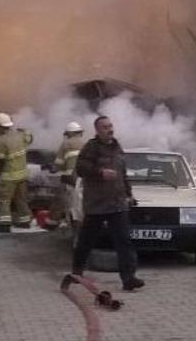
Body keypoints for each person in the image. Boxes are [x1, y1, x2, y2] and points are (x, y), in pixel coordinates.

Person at [72, 116, 145, 291]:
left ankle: (128, 279)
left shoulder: (117, 147)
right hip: (97, 204)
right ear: (97, 130)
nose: (109, 129)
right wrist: (100, 173)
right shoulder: (91, 148)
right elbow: (81, 168)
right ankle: (76, 271)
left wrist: (129, 194)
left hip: (117, 203)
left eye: (110, 126)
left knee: (124, 242)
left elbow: (123, 173)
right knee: (86, 241)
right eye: (105, 127)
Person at [0, 112, 34, 233]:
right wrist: (26, 131)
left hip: (9, 177)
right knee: (21, 199)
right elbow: (29, 139)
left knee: (4, 200)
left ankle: (4, 224)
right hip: (22, 175)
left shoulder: (1, 142)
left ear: (0, 127)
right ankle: (25, 221)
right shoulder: (20, 136)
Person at [45, 121, 86, 229]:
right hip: (84, 180)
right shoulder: (86, 144)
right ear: (79, 133)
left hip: (70, 180)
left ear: (69, 133)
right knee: (80, 205)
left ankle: (52, 223)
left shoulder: (65, 144)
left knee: (60, 199)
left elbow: (58, 165)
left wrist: (50, 168)